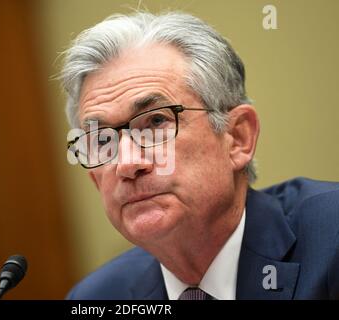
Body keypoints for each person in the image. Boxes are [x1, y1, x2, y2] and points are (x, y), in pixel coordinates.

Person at [61, 11, 339, 299]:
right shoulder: (98, 297)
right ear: (95, 178)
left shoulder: (332, 240)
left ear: (238, 138)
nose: (127, 164)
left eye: (156, 122)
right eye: (102, 140)